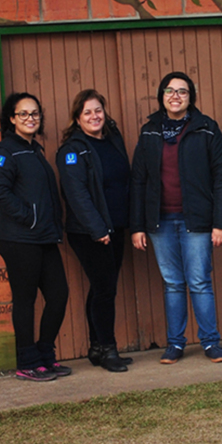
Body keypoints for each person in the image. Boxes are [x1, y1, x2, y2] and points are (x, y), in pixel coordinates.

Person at [130, 72, 222, 364]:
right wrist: (138, 226)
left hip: (196, 222)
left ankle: (211, 343)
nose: (175, 96)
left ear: (191, 97)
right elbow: (138, 180)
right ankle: (175, 344)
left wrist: (220, 222)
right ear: (161, 96)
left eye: (182, 92)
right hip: (160, 223)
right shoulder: (149, 131)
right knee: (173, 283)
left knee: (199, 281)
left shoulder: (206, 128)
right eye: (170, 91)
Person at [0, 92, 71, 382]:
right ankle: (27, 361)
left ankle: (44, 356)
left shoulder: (33, 149)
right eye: (23, 114)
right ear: (12, 119)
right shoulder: (6, 150)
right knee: (25, 300)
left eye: (34, 113)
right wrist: (31, 217)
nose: (30, 118)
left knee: (58, 295)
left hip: (42, 237)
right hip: (18, 238)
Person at [56, 89, 134, 373]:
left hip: (115, 227)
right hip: (90, 233)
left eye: (98, 110)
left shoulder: (113, 140)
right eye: (87, 112)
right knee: (105, 290)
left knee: (103, 287)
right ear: (77, 119)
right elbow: (76, 195)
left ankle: (96, 346)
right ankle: (108, 349)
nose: (94, 116)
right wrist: (97, 229)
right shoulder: (72, 151)